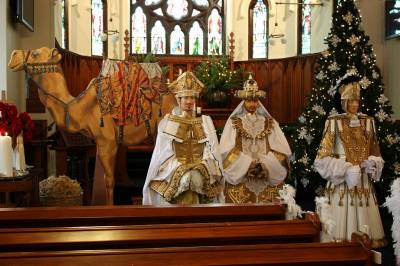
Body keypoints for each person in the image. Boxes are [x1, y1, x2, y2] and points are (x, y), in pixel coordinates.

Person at [314, 74, 386, 248]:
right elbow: (321, 158)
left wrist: (373, 162)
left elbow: (375, 152)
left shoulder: (368, 122)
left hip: (363, 181)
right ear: (344, 101)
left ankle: (365, 241)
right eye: (350, 101)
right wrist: (345, 169)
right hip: (342, 180)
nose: (354, 105)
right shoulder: (333, 123)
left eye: (357, 101)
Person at [142, 71, 224, 205]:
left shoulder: (205, 121)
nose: (189, 101)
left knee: (198, 179)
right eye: (185, 98)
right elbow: (163, 153)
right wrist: (181, 167)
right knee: (186, 179)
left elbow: (211, 149)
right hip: (175, 165)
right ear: (178, 100)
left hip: (201, 164)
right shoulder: (169, 122)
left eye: (192, 98)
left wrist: (202, 163)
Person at [220, 75, 292, 203]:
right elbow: (226, 152)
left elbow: (282, 151)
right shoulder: (234, 123)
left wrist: (265, 164)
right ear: (243, 101)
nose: (252, 104)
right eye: (249, 100)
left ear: (259, 102)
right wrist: (247, 164)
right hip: (241, 176)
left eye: (255, 101)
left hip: (266, 175)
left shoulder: (270, 123)